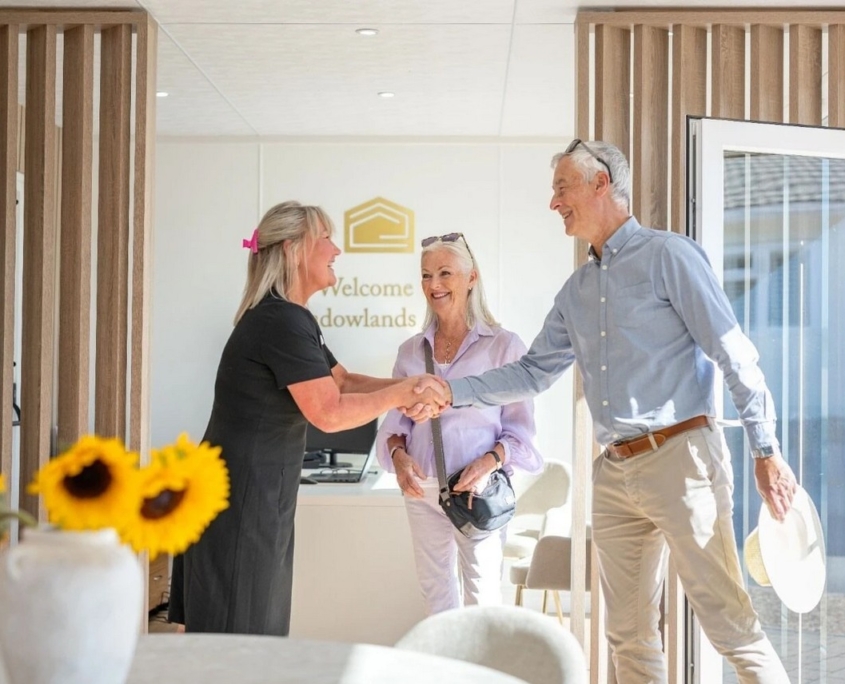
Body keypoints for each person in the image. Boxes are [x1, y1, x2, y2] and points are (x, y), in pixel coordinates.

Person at [415, 141, 797, 683]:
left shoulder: (669, 256)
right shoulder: (577, 290)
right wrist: (451, 392)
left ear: (601, 183)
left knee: (728, 624)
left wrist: (766, 449)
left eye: (562, 188)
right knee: (628, 638)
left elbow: (733, 352)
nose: (553, 202)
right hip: (615, 472)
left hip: (681, 459)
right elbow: (532, 373)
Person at [168, 200, 446, 636]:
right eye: (326, 239)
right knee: (239, 643)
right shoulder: (280, 320)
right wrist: (406, 393)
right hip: (241, 503)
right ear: (293, 249)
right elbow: (329, 413)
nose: (337, 250)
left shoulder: (289, 318)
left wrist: (411, 386)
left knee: (250, 637)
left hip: (254, 499)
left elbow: (343, 382)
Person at [377, 232, 542, 615]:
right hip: (422, 491)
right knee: (436, 596)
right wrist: (399, 458)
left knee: (482, 599)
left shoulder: (504, 346)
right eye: (426, 275)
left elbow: (520, 431)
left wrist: (488, 463)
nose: (433, 284)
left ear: (471, 278)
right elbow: (396, 425)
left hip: (477, 491)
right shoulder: (411, 351)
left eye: (445, 273)